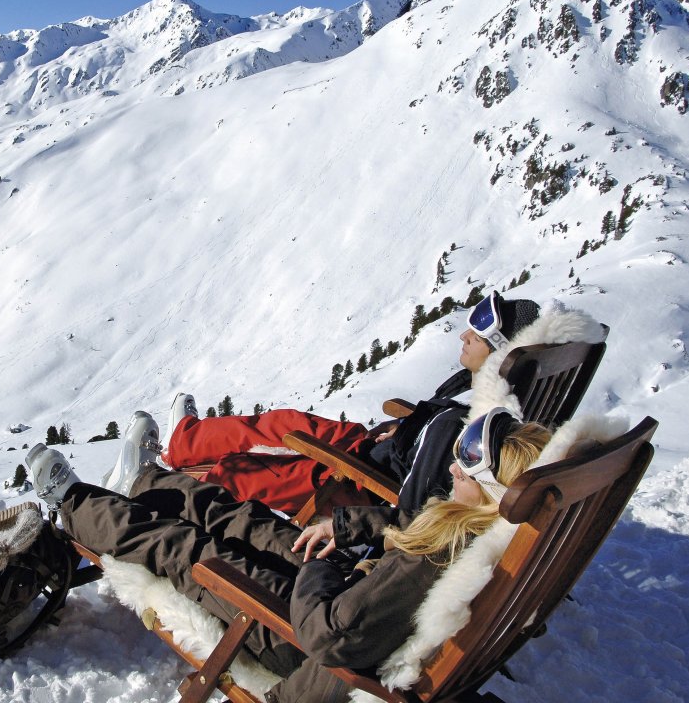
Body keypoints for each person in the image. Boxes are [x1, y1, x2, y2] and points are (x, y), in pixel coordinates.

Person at [29, 408, 552, 703]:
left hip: (299, 635)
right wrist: (345, 527)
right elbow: (404, 537)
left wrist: (324, 564)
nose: (454, 467)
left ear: (489, 489)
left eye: (468, 460)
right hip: (345, 591)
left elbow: (333, 638)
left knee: (186, 548)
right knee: (243, 519)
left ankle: (74, 503)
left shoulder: (440, 555)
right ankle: (144, 482)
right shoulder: (474, 533)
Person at [145, 291, 544, 518]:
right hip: (378, 449)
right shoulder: (485, 396)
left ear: (498, 351)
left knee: (252, 468)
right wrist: (406, 429)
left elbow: (419, 496)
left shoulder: (476, 425)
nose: (462, 338)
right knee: (285, 421)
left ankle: (156, 491)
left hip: (362, 478)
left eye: (474, 338)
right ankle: (185, 442)